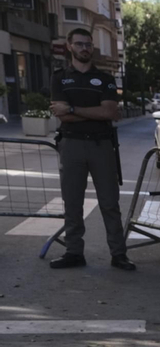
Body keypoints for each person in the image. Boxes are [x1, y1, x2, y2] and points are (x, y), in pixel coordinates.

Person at [48, 27, 132, 270]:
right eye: (80, 44)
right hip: (72, 143)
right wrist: (90, 114)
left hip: (101, 145)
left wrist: (73, 110)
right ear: (69, 46)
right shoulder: (60, 77)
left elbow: (110, 112)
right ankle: (74, 252)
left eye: (88, 44)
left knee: (110, 202)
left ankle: (119, 254)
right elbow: (60, 114)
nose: (85, 48)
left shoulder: (105, 79)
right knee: (72, 201)